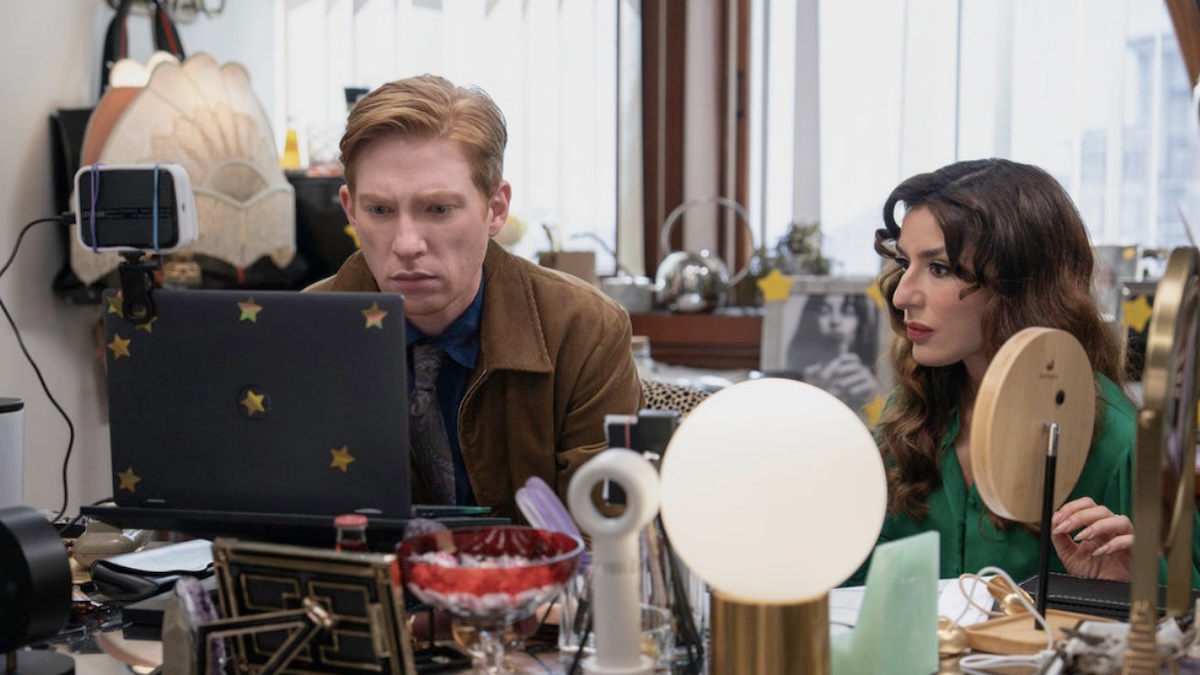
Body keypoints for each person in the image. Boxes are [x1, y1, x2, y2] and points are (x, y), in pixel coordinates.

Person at [846, 157, 1200, 586]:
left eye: (939, 269)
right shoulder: (911, 409)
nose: (902, 294)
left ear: (1019, 285)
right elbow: (855, 590)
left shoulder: (1120, 445)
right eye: (906, 264)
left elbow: (1180, 624)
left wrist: (1130, 587)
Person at [308, 75, 644, 518]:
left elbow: (602, 535)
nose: (407, 243)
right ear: (351, 210)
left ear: (496, 208)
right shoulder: (304, 331)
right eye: (380, 211)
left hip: (535, 587)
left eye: (439, 209)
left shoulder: (585, 330)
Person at [786, 292, 879, 412]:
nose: (835, 321)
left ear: (861, 321)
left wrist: (872, 395)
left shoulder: (868, 380)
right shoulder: (797, 377)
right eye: (824, 311)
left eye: (847, 311)